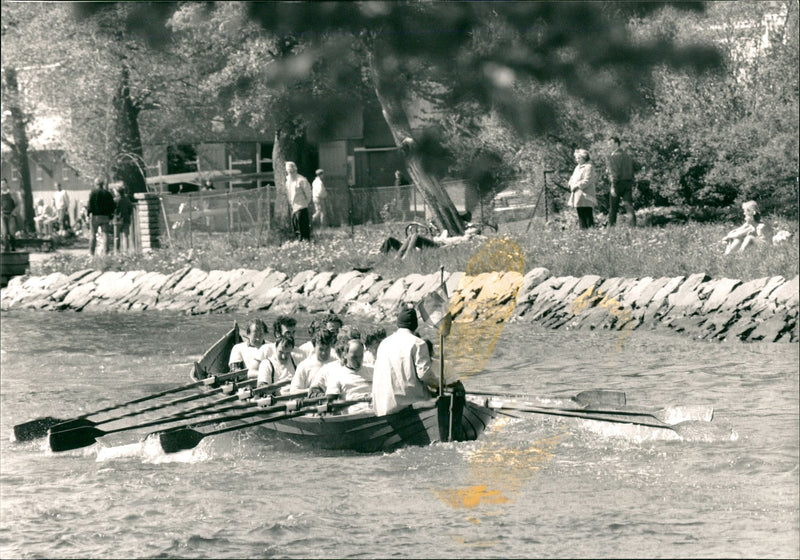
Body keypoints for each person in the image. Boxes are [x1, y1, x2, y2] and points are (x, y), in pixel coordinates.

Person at [371, 305, 437, 416]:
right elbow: (424, 375)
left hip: (382, 404)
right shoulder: (418, 343)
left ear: (398, 324)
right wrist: (440, 385)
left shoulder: (384, 343)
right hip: (406, 404)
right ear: (415, 326)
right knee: (438, 398)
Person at [324, 337, 372, 413]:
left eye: (361, 356)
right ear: (345, 355)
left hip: (374, 413)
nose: (359, 361)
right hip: (354, 417)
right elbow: (331, 403)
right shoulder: (336, 375)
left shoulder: (373, 370)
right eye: (354, 357)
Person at [290, 328, 336, 393]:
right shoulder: (304, 366)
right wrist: (313, 391)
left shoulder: (337, 363)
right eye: (321, 349)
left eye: (327, 348)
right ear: (314, 347)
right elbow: (293, 391)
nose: (324, 353)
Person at [606, 136, 636, 227]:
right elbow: (633, 169)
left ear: (616, 143)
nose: (609, 146)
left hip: (617, 183)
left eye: (611, 144)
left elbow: (614, 173)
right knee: (629, 206)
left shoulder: (613, 157)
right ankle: (633, 226)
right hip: (628, 183)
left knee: (613, 208)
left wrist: (613, 186)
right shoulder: (628, 156)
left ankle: (611, 228)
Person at [567, 148, 597, 229]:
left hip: (586, 195)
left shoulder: (589, 167)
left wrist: (577, 185)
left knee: (587, 214)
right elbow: (572, 178)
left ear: (584, 158)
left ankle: (591, 232)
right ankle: (583, 233)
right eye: (576, 158)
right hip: (577, 195)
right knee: (580, 215)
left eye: (579, 158)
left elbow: (588, 180)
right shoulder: (577, 167)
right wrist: (570, 184)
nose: (577, 160)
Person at [88, 177, 115, 256]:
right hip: (105, 216)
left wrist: (88, 214)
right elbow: (112, 205)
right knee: (105, 234)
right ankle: (106, 252)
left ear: (95, 184)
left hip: (95, 216)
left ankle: (91, 253)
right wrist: (111, 215)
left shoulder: (93, 193)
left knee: (93, 234)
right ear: (103, 184)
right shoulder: (107, 193)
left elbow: (90, 204)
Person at [285, 161, 312, 241]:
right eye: (289, 171)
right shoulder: (288, 181)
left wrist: (304, 204)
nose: (290, 172)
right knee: (296, 228)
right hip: (293, 208)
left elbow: (308, 194)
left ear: (295, 169)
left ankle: (305, 243)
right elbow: (289, 194)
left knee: (303, 228)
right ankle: (299, 243)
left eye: (291, 170)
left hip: (301, 207)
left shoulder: (301, 180)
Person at [112, 186, 133, 253]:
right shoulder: (127, 199)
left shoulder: (115, 200)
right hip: (126, 219)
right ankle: (125, 251)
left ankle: (116, 251)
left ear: (117, 192)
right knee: (125, 236)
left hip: (117, 219)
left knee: (116, 237)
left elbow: (112, 210)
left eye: (115, 191)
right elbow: (130, 209)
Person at [1, 179, 17, 251]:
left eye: (4, 184)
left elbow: (17, 204)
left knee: (11, 232)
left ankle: (13, 247)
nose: (2, 185)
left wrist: (14, 212)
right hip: (3, 215)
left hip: (11, 215)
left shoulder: (12, 193)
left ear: (7, 184)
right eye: (1, 184)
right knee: (4, 233)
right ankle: (6, 248)